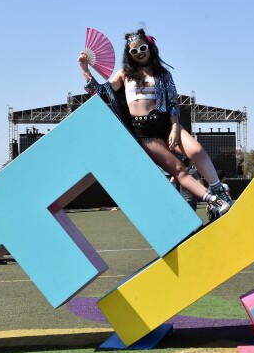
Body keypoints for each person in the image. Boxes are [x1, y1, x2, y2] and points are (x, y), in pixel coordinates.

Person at [78, 28, 233, 220]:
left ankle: (221, 193)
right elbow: (103, 94)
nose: (139, 52)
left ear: (150, 48)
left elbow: (173, 103)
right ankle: (213, 201)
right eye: (133, 51)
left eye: (142, 48)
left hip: (166, 124)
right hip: (144, 133)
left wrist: (175, 127)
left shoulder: (163, 74)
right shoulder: (124, 73)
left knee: (197, 151)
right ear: (129, 54)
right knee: (179, 171)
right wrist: (85, 70)